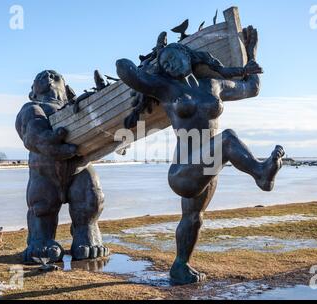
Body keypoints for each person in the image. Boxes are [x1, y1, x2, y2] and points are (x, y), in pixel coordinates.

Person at [116, 26, 284, 284]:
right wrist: (153, 61)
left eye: (174, 57)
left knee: (194, 218)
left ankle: (180, 266)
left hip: (208, 167)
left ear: (190, 56)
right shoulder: (164, 88)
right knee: (227, 139)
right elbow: (123, 67)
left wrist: (251, 51)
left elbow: (252, 87)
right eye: (166, 63)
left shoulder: (213, 85)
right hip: (183, 172)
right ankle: (261, 173)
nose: (170, 64)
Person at [15, 70, 109, 263]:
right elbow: (31, 129)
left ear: (66, 90)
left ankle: (86, 234)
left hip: (80, 166)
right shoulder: (33, 107)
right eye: (40, 77)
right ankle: (40, 240)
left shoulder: (80, 107)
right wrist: (43, 139)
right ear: (32, 93)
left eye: (55, 76)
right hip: (44, 170)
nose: (48, 77)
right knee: (42, 207)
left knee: (91, 199)